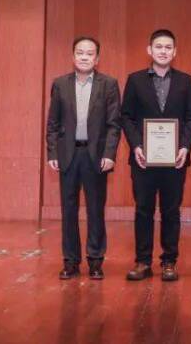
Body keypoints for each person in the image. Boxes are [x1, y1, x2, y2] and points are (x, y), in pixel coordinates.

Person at [120, 29, 191, 281]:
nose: (163, 51)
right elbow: (126, 116)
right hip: (143, 158)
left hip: (175, 159)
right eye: (158, 47)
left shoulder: (185, 81)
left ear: (175, 52)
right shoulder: (135, 80)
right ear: (149, 50)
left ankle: (169, 261)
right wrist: (136, 146)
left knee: (171, 211)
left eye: (168, 47)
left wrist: (185, 146)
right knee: (143, 209)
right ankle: (142, 261)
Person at [46, 36, 122, 280]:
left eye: (89, 53)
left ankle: (95, 260)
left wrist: (109, 154)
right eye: (80, 52)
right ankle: (70, 261)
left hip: (96, 156)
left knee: (95, 209)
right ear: (73, 56)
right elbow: (53, 123)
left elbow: (114, 124)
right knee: (68, 210)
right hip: (68, 155)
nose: (84, 57)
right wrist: (52, 153)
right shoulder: (60, 84)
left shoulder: (109, 84)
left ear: (97, 59)